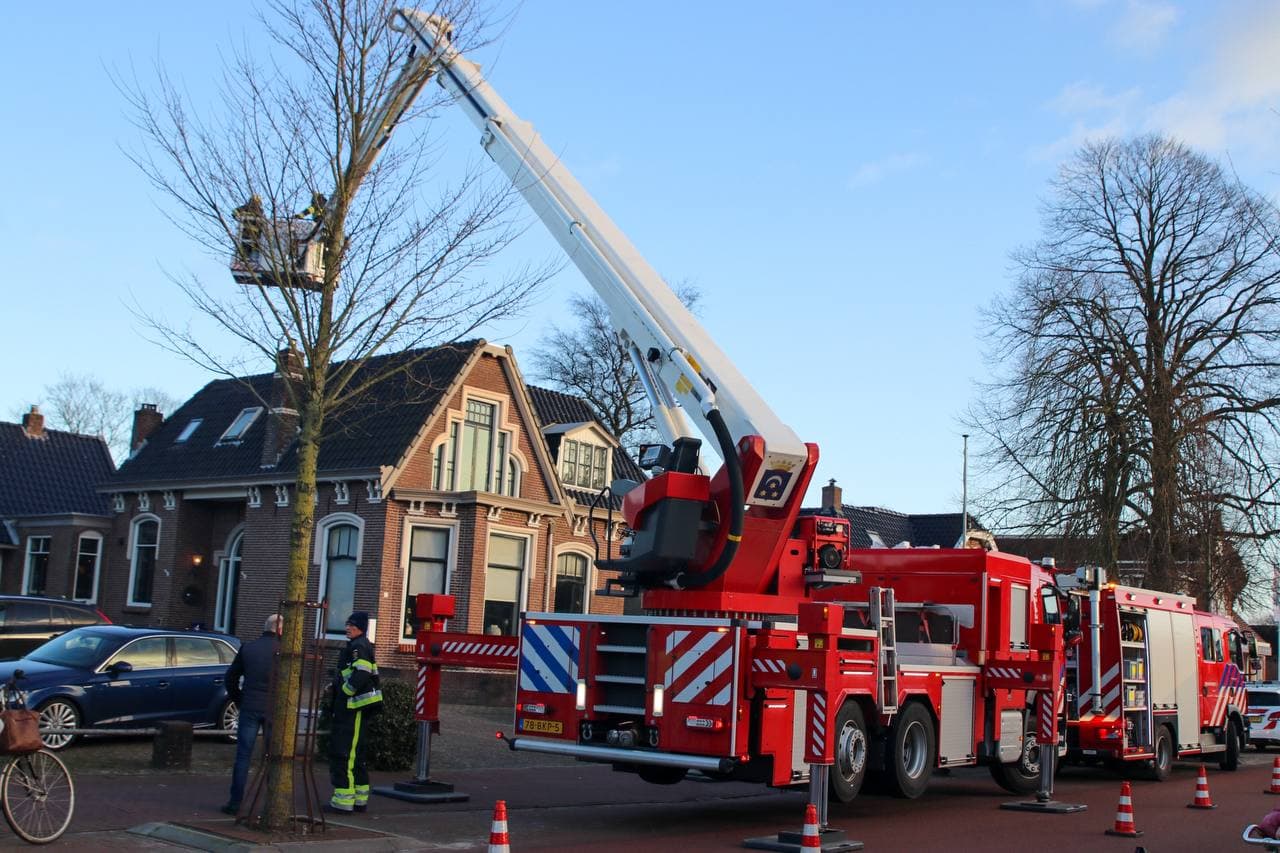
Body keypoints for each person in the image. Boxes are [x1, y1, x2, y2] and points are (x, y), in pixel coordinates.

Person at [222, 613, 282, 815]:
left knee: (243, 756)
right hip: (274, 709)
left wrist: (239, 699)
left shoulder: (248, 648)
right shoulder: (285, 652)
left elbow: (230, 678)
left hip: (250, 707)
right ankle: (271, 804)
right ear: (280, 629)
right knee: (273, 757)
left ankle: (235, 802)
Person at [328, 611, 383, 813]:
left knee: (345, 754)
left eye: (351, 625)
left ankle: (343, 802)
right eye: (346, 624)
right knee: (356, 755)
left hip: (352, 708)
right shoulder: (359, 645)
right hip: (355, 708)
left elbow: (362, 673)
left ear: (360, 627)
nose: (347, 628)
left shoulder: (358, 646)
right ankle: (359, 799)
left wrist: (344, 692)